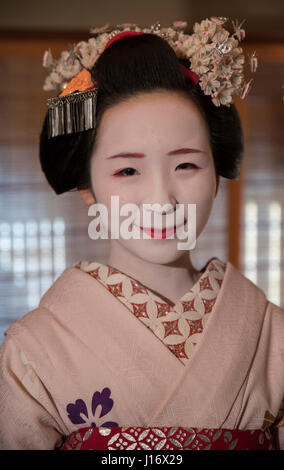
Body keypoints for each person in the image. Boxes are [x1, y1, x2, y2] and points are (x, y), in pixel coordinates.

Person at [0, 19, 283, 451]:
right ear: (88, 188)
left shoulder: (273, 336)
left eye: (186, 165)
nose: (161, 200)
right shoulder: (33, 352)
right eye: (127, 170)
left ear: (218, 175)